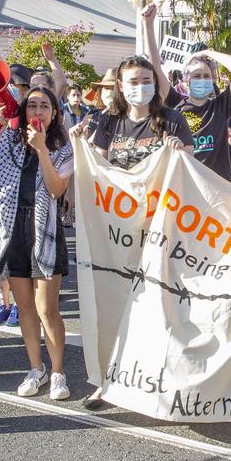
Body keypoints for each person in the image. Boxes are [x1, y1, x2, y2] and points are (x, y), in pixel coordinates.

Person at [73, 55, 192, 409]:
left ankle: (159, 382)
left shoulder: (172, 120)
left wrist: (179, 151)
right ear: (121, 88)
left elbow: (190, 173)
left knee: (161, 305)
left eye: (146, 79)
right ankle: (108, 381)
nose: (140, 86)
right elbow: (96, 171)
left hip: (161, 231)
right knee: (114, 305)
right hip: (118, 232)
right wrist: (80, 141)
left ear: (155, 84)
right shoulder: (108, 121)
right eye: (133, 81)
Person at [0, 86, 74, 399]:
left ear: (54, 114)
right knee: (25, 308)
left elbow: (55, 189)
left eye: (45, 107)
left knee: (47, 308)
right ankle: (35, 368)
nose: (38, 112)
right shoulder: (9, 140)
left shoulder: (63, 146)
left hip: (45, 229)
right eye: (32, 106)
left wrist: (41, 149)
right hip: (12, 228)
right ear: (23, 111)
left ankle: (58, 372)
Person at [143, 3, 231, 179]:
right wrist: (148, 25)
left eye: (206, 76)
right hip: (184, 184)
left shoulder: (221, 106)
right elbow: (155, 67)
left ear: (213, 79)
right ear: (186, 80)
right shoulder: (175, 102)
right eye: (196, 76)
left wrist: (208, 52)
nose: (202, 80)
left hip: (216, 186)